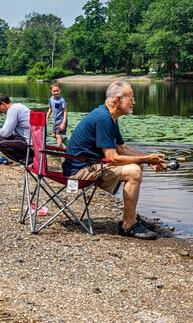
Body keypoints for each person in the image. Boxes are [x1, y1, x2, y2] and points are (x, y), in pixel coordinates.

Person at [62, 81, 167, 240]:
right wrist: (146, 158)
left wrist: (148, 160)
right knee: (134, 172)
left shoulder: (110, 117)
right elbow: (112, 158)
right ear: (118, 99)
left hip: (88, 165)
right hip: (79, 171)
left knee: (137, 165)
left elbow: (122, 148)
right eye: (131, 98)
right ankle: (129, 224)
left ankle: (129, 216)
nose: (134, 102)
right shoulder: (104, 118)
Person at [0, 93, 32, 164]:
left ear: (3, 104)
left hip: (30, 146)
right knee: (1, 136)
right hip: (34, 144)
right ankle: (28, 158)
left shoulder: (13, 110)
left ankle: (27, 160)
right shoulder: (18, 106)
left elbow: (5, 134)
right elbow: (9, 131)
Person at [46, 81, 68, 147]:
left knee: (58, 136)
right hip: (55, 121)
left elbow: (65, 111)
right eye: (54, 91)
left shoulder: (62, 100)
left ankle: (58, 149)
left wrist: (64, 122)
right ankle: (65, 140)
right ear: (51, 91)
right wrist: (47, 117)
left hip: (61, 121)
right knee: (53, 135)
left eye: (57, 91)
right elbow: (50, 109)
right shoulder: (51, 99)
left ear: (60, 90)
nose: (56, 92)